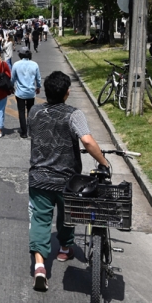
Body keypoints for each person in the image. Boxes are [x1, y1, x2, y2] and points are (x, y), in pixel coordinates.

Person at [28, 71, 110, 291]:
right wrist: (104, 162)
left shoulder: (34, 112)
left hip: (39, 178)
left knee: (40, 220)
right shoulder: (74, 114)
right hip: (68, 180)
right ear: (66, 93)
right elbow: (87, 141)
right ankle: (65, 248)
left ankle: (39, 267)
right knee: (68, 216)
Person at [12, 47, 41, 139]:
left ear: (20, 55)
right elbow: (38, 78)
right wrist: (38, 87)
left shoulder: (16, 64)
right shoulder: (34, 64)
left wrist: (11, 86)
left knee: (21, 111)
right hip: (31, 91)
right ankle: (30, 129)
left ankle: (24, 131)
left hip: (20, 92)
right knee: (30, 111)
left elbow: (13, 78)